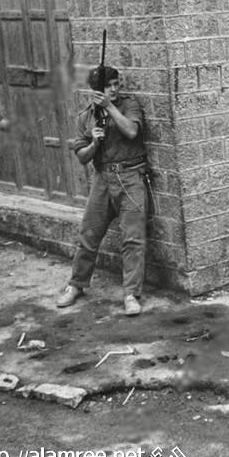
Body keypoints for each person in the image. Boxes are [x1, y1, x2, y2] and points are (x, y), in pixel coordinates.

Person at [56, 66, 148, 316]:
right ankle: (76, 285)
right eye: (108, 86)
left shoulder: (129, 105)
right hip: (102, 179)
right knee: (88, 234)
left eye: (116, 84)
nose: (114, 89)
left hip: (130, 177)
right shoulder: (86, 116)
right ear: (95, 90)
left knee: (133, 238)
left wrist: (110, 107)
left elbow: (132, 131)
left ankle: (131, 294)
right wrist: (95, 143)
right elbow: (82, 156)